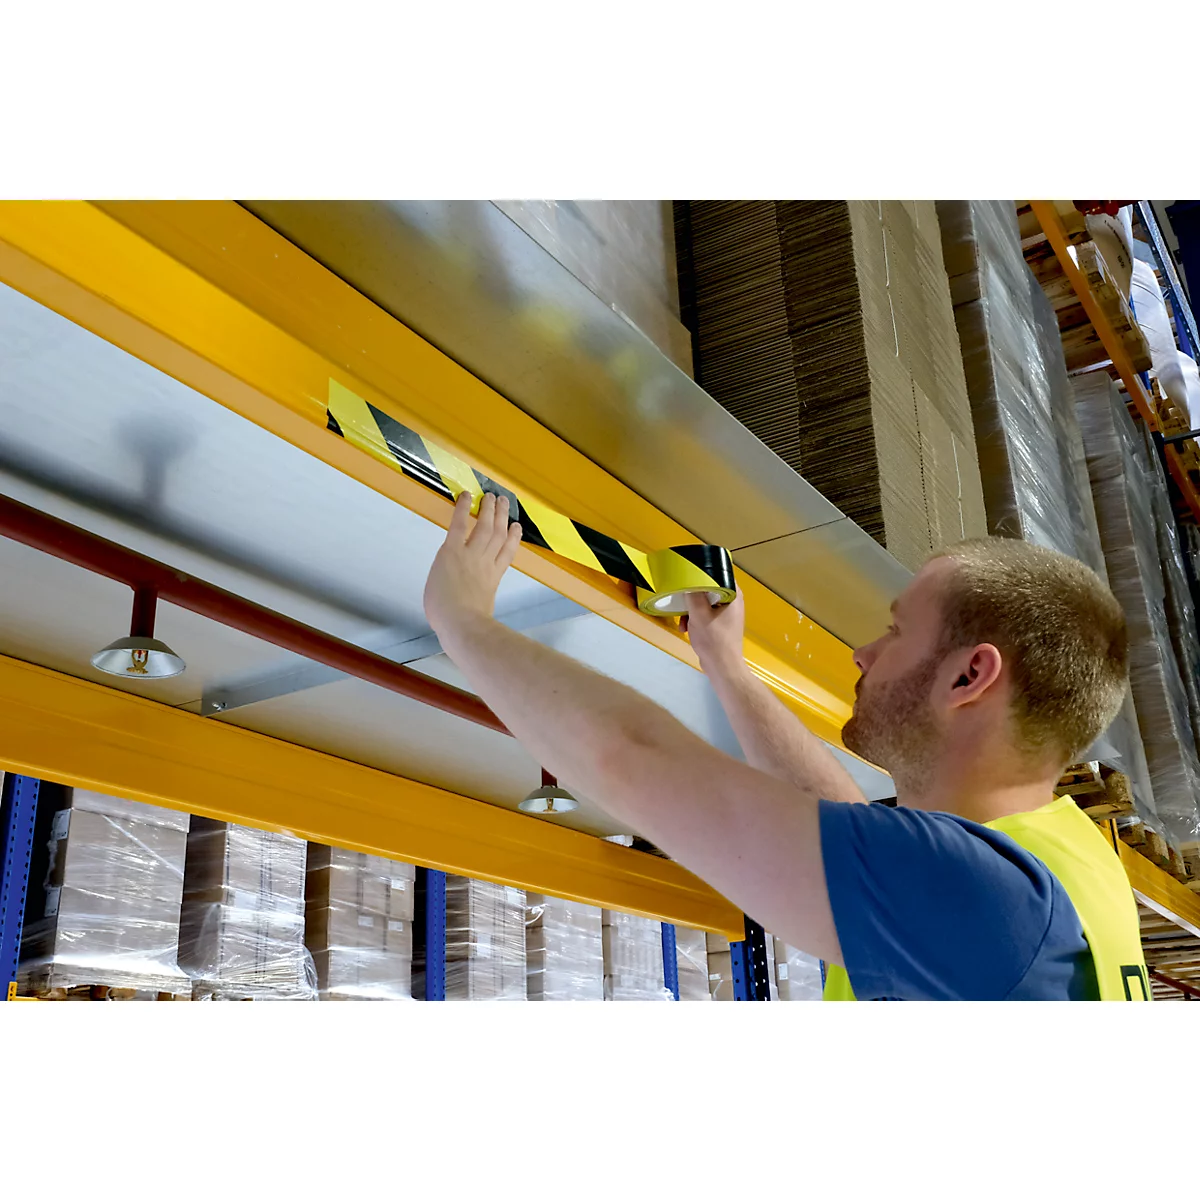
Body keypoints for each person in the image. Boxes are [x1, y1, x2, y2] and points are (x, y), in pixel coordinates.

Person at [423, 491, 1150, 1000]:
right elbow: (846, 831)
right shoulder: (1061, 859)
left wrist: (462, 620)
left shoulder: (994, 900)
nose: (866, 652)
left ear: (969, 675)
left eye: (897, 631)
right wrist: (726, 665)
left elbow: (631, 760)